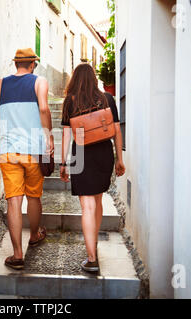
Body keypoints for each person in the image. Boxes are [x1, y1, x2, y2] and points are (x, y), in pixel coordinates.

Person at [0, 48, 54, 270]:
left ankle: (17, 254)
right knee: (33, 197)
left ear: (16, 63)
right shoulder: (40, 82)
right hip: (33, 150)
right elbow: (44, 109)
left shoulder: (0, 85)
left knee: (13, 201)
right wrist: (48, 138)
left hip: (8, 151)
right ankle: (34, 234)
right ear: (33, 64)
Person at [59, 63, 125, 273]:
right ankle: (92, 244)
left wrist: (63, 163)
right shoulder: (107, 98)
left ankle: (91, 258)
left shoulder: (70, 101)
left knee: (87, 206)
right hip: (103, 154)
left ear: (75, 80)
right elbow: (116, 130)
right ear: (94, 79)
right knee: (97, 202)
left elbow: (67, 134)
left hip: (81, 156)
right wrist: (119, 159)